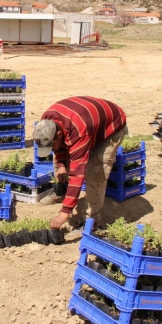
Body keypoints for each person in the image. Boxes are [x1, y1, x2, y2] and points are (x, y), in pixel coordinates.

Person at [33, 96, 128, 230]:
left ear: (59, 134)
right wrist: (61, 165)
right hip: (88, 122)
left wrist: (64, 213)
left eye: (51, 145)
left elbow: (77, 174)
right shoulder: (47, 122)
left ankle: (92, 222)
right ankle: (63, 194)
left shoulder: (78, 131)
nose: (51, 149)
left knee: (96, 170)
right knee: (60, 162)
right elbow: (58, 147)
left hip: (112, 125)